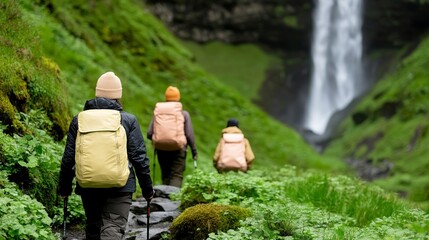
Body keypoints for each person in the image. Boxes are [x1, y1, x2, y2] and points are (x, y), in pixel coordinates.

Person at [58, 72, 154, 240]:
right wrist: (147, 190)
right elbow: (139, 158)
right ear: (119, 95)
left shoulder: (79, 120)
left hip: (89, 184)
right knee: (113, 227)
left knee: (94, 226)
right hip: (120, 186)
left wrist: (64, 188)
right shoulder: (128, 120)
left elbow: (68, 158)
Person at [147, 86, 197, 188]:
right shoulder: (183, 114)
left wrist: (160, 141)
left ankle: (163, 199)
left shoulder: (158, 112)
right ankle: (172, 200)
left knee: (165, 173)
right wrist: (194, 150)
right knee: (177, 174)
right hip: (178, 149)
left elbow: (149, 133)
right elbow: (189, 134)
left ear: (166, 98)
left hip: (161, 149)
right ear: (178, 98)